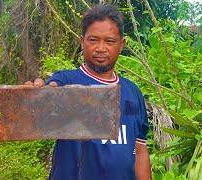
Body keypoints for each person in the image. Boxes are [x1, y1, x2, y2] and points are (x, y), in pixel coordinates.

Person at [31, 4, 151, 180]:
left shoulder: (132, 92)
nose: (101, 48)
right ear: (82, 42)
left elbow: (140, 152)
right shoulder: (68, 81)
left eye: (109, 41)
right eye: (93, 40)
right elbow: (50, 92)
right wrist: (38, 94)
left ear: (121, 44)